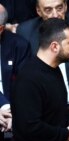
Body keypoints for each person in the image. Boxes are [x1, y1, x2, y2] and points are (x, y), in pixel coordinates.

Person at [16, 0, 69, 123]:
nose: (55, 15)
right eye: (48, 10)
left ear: (66, 6)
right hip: (43, 108)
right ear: (38, 11)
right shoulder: (25, 32)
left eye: (59, 8)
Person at [10, 18, 69, 141]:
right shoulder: (29, 79)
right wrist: (66, 134)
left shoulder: (54, 69)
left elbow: (53, 112)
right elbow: (30, 128)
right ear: (54, 46)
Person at [0, 3, 31, 139]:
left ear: (1, 29)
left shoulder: (19, 46)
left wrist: (12, 113)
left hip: (14, 114)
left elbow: (25, 86)